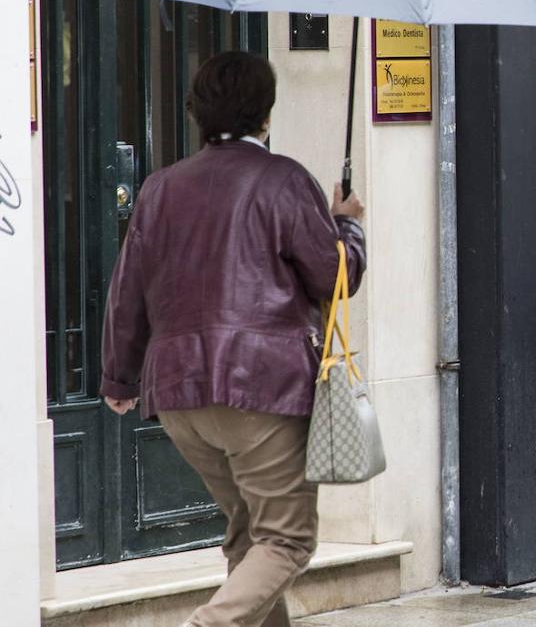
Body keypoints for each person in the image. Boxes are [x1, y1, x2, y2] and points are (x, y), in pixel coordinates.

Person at [100, 51, 367, 626]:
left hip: (178, 396)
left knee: (250, 534)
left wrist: (119, 378)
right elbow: (333, 277)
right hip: (260, 392)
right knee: (288, 540)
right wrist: (346, 223)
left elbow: (127, 290)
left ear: (197, 113)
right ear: (265, 115)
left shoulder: (159, 187)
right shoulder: (285, 180)